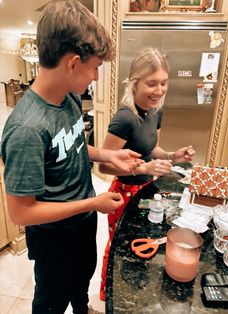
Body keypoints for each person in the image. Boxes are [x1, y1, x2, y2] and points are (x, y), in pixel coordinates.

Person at [0, 1, 143, 313]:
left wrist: (107, 154)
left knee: (80, 280)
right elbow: (21, 213)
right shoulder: (26, 128)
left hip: (81, 224)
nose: (95, 78)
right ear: (73, 63)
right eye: (95, 68)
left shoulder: (69, 98)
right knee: (51, 300)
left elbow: (72, 143)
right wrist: (94, 203)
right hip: (54, 239)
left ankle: (82, 308)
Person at [99, 47, 196, 301]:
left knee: (142, 245)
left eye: (164, 83)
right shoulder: (125, 118)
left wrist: (174, 157)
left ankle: (133, 295)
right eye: (152, 84)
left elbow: (152, 148)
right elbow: (104, 165)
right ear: (134, 82)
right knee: (119, 250)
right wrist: (142, 168)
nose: (159, 90)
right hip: (123, 194)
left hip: (146, 191)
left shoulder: (156, 111)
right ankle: (111, 298)